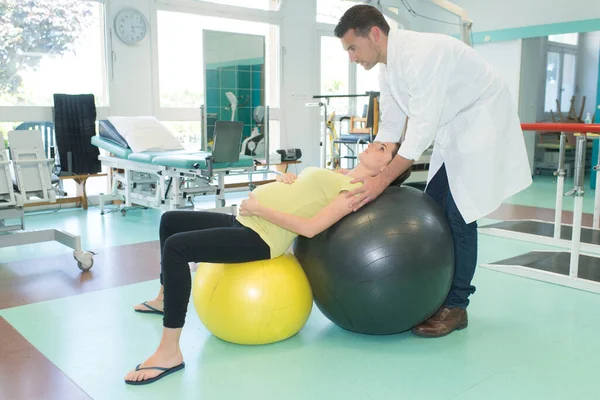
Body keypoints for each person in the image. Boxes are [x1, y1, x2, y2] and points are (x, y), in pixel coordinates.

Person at [125, 141, 405, 385]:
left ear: (385, 170)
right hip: (246, 220)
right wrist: (286, 180)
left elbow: (310, 228)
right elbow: (305, 195)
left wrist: (262, 208)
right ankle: (165, 298)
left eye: (382, 148)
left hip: (261, 237)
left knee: (177, 248)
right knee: (170, 221)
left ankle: (169, 350)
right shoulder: (342, 174)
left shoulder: (353, 193)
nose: (372, 144)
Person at [333, 5, 532, 338]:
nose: (352, 57)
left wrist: (381, 182)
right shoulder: (387, 67)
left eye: (353, 47)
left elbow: (421, 129)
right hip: (452, 128)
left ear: (375, 34)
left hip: (480, 121)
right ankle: (434, 295)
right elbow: (392, 126)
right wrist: (365, 171)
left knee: (459, 215)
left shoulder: (423, 53)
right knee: (433, 205)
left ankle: (456, 306)